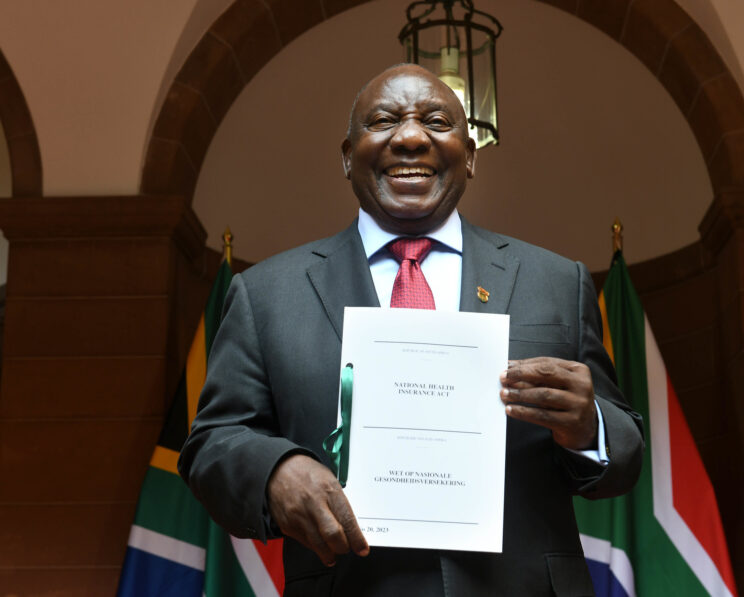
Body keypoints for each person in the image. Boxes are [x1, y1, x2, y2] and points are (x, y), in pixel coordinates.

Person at [179, 63, 643, 597]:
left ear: (469, 156)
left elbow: (625, 451)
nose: (410, 137)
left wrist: (591, 428)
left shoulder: (558, 282)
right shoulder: (266, 294)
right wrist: (274, 471)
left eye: (437, 121)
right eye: (383, 120)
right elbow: (212, 443)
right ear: (348, 156)